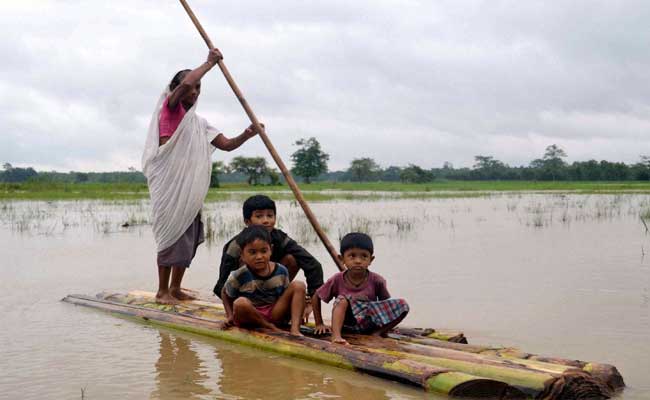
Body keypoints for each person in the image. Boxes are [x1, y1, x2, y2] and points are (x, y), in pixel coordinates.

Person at [142, 48, 260, 305]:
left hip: (189, 191)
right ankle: (162, 292)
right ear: (177, 90)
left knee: (187, 236)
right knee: (169, 235)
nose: (194, 92)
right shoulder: (169, 109)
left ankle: (175, 288)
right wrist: (209, 63)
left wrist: (247, 134)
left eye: (199, 89)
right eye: (191, 88)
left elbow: (227, 144)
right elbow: (185, 83)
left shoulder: (199, 123)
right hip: (169, 187)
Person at [213, 195, 323, 302]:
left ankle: (278, 299)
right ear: (247, 222)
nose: (266, 221)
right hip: (246, 297)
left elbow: (312, 264)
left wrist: (311, 298)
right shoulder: (236, 245)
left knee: (292, 259)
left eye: (270, 216)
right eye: (259, 216)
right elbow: (221, 286)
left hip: (271, 289)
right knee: (244, 261)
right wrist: (235, 307)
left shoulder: (280, 238)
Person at [312, 232, 409, 344]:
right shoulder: (337, 279)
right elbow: (316, 296)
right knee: (342, 299)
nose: (358, 261)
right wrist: (319, 323)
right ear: (341, 259)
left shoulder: (377, 280)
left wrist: (385, 327)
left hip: (368, 324)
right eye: (352, 256)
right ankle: (336, 336)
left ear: (370, 260)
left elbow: (384, 305)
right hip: (347, 324)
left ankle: (378, 333)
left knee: (403, 304)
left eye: (364, 256)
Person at [221, 225, 306, 336]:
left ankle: (295, 330)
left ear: (271, 250)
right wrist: (230, 316)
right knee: (240, 303)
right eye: (252, 252)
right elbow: (224, 292)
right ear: (242, 255)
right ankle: (268, 326)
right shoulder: (239, 275)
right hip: (250, 316)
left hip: (274, 313)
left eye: (264, 251)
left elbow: (287, 297)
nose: (259, 257)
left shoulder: (281, 271)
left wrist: (302, 309)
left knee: (299, 285)